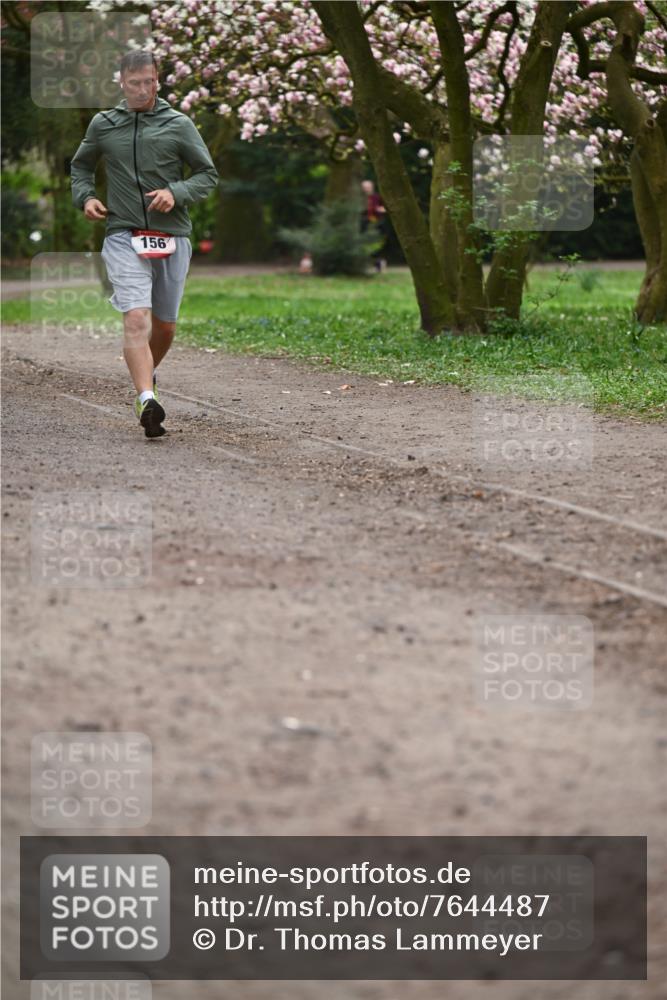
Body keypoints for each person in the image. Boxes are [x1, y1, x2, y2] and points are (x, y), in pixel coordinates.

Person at [71, 50, 218, 438]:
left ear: (158, 80)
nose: (141, 89)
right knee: (137, 317)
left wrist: (177, 192)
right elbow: (81, 165)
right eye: (133, 83)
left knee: (164, 327)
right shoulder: (104, 124)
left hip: (173, 236)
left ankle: (146, 368)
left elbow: (207, 174)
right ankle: (146, 398)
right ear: (121, 82)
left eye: (148, 82)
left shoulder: (178, 124)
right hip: (123, 233)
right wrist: (86, 197)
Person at [360, 179, 387, 273]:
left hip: (377, 223)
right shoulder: (360, 199)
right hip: (364, 224)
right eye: (364, 187)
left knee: (378, 244)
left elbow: (385, 208)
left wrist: (380, 210)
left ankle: (379, 265)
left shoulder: (377, 197)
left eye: (368, 187)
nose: (366, 189)